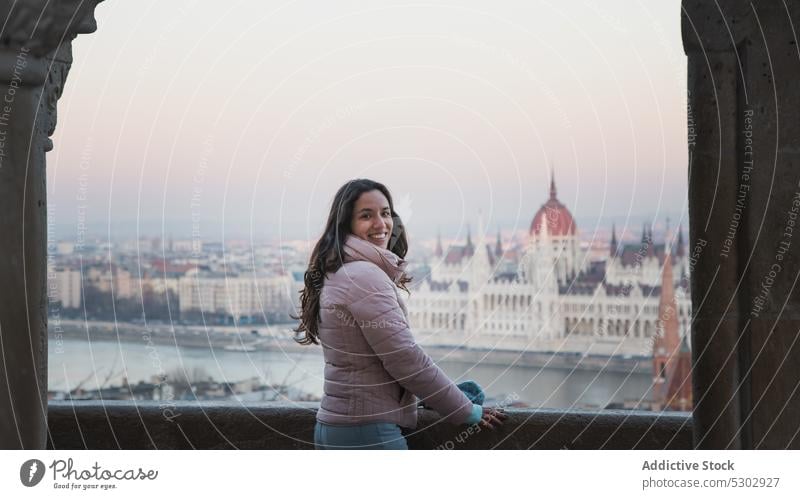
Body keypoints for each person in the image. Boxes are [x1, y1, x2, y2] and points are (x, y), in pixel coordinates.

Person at [294, 178, 507, 450]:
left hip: (334, 427)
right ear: (346, 223)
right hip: (368, 433)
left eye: (385, 213)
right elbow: (405, 359)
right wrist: (467, 410)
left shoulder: (336, 270)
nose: (381, 223)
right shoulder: (364, 277)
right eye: (366, 215)